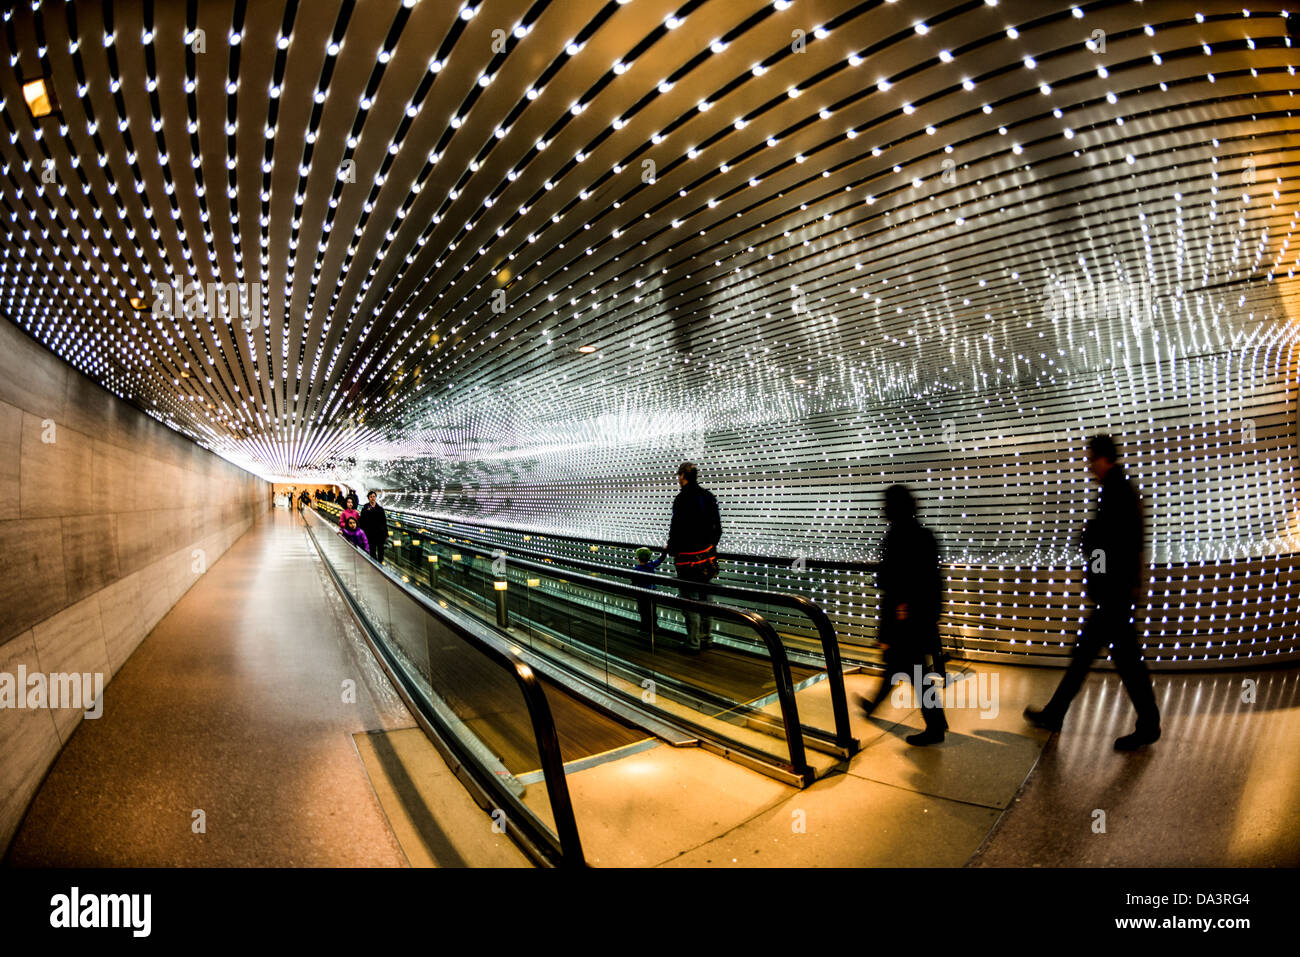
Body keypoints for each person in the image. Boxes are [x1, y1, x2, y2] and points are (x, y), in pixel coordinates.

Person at [1024, 434, 1161, 751]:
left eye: (1091, 459)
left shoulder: (1115, 491)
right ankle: (1055, 713)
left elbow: (1109, 542)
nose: (1088, 466)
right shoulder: (1121, 488)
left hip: (1114, 593)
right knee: (1091, 656)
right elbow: (1132, 541)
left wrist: (1087, 538)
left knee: (1123, 662)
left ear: (1103, 458)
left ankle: (1149, 724)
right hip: (1117, 592)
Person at [856, 484, 948, 746]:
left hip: (903, 619)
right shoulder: (925, 535)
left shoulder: (896, 536)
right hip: (920, 617)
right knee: (900, 668)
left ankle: (935, 725)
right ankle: (874, 707)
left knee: (913, 672)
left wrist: (888, 627)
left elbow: (891, 581)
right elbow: (932, 579)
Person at [665, 461, 721, 652]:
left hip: (687, 559)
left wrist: (672, 548)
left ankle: (693, 642)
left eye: (678, 476)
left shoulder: (681, 499)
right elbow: (717, 528)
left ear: (682, 476)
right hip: (707, 557)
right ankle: (707, 638)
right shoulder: (708, 496)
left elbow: (677, 528)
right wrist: (710, 547)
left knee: (689, 600)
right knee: (706, 598)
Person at [631, 547, 666, 636]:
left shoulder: (636, 569)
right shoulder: (651, 565)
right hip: (652, 592)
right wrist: (665, 550)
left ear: (638, 558)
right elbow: (661, 559)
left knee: (643, 611)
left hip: (641, 593)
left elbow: (634, 581)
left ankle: (644, 628)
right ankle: (654, 626)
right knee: (652, 610)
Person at [359, 491, 389, 564]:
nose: (373, 498)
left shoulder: (380, 509)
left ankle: (381, 562)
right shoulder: (365, 508)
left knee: (380, 549)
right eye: (371, 497)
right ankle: (374, 564)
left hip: (380, 533)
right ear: (368, 498)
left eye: (374, 496)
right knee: (372, 549)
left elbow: (384, 522)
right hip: (370, 533)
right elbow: (362, 520)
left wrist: (386, 534)